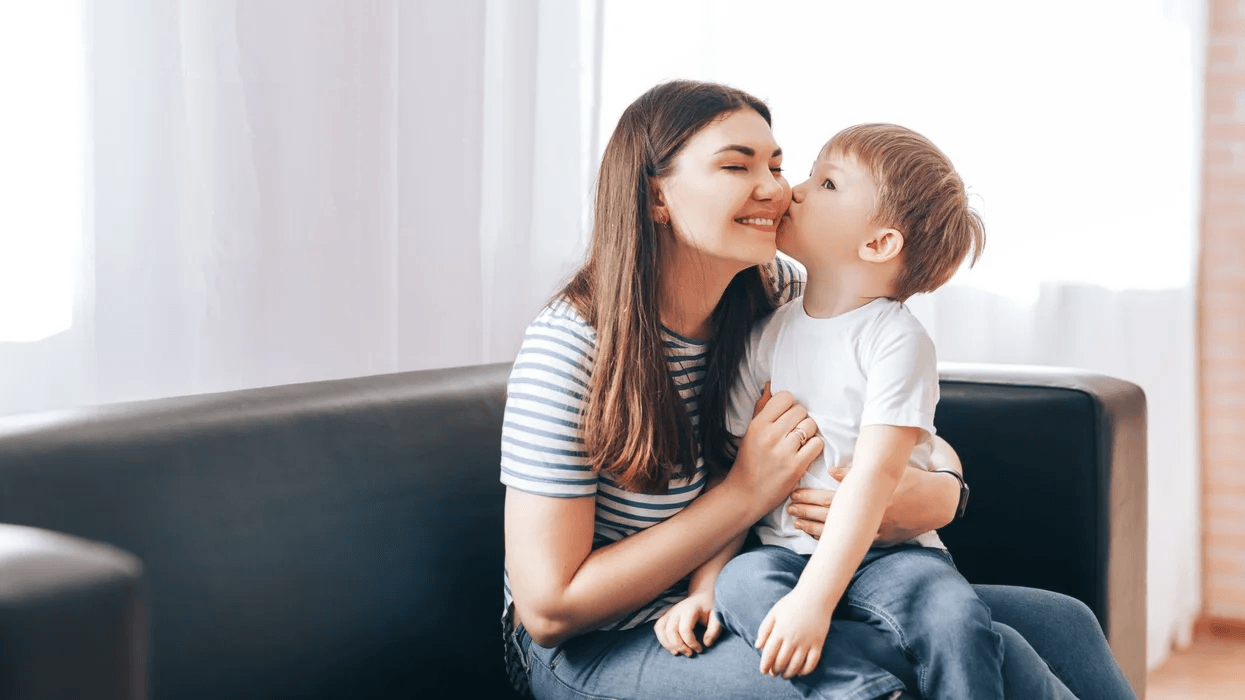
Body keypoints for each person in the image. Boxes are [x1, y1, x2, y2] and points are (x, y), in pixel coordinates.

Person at [501, 79, 1137, 700]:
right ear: (655, 197)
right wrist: (749, 492)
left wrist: (942, 495)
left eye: (778, 164)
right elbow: (549, 609)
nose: (776, 189)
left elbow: (901, 433)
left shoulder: (776, 292)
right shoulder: (571, 347)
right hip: (603, 643)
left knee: (1063, 625)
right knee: (927, 661)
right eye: (736, 166)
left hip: (754, 584)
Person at [662, 123, 1007, 700]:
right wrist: (703, 587)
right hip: (781, 555)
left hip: (889, 554)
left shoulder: (896, 341)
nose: (791, 189)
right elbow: (735, 474)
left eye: (826, 183)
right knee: (742, 588)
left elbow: (874, 478)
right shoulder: (768, 333)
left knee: (954, 618)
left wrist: (815, 601)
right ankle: (863, 693)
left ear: (878, 244)